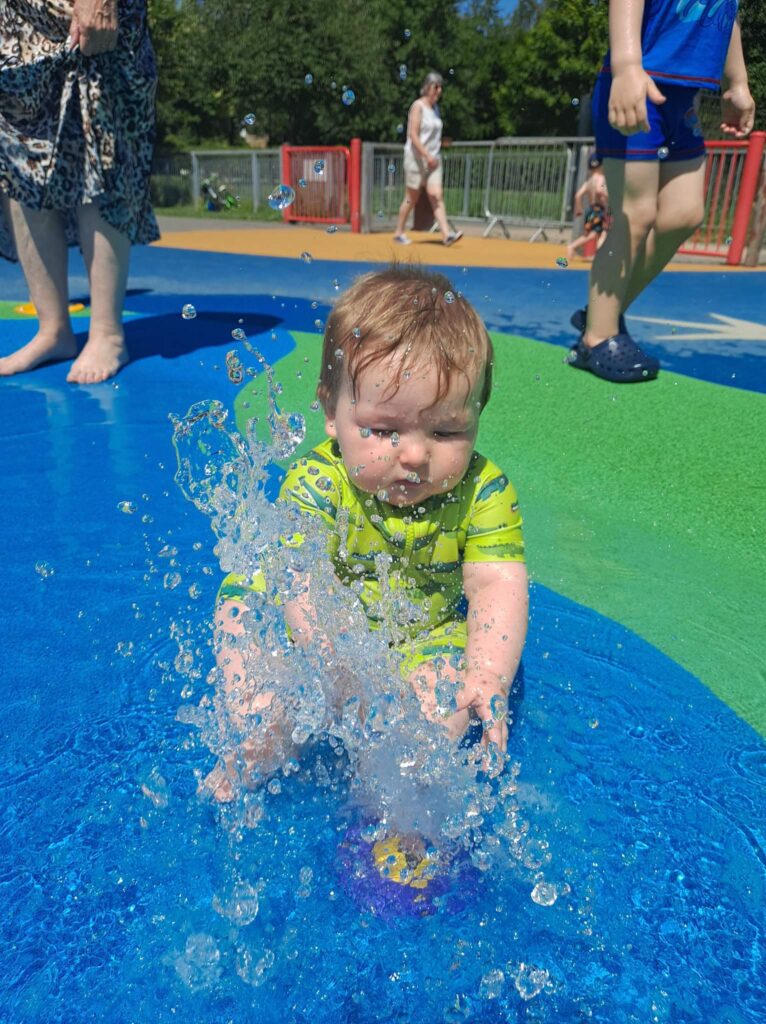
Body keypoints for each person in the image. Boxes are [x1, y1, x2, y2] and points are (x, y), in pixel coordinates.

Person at [207, 266, 528, 802]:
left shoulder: (483, 492)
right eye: (383, 430)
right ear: (332, 412)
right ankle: (257, 732)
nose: (415, 454)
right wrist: (333, 668)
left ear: (477, 416)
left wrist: (489, 673)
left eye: (447, 431)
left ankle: (395, 800)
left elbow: (497, 585)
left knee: (436, 718)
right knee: (242, 601)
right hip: (313, 630)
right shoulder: (317, 481)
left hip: (427, 635)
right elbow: (297, 580)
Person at [570, 0, 755, 383]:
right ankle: (597, 336)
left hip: (683, 94)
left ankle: (601, 309)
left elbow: (727, 14)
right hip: (639, 83)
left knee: (684, 213)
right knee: (635, 214)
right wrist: (626, 67)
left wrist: (737, 82)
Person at [0, 0, 159, 384]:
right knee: (19, 152)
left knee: (100, 138)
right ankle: (52, 329)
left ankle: (107, 332)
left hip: (81, 11)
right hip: (19, 17)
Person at [393, 72, 463, 247]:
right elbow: (413, 136)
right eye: (435, 87)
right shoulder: (418, 106)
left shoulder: (436, 109)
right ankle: (399, 231)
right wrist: (426, 155)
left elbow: (432, 135)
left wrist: (438, 147)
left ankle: (446, 235)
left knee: (436, 195)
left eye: (440, 87)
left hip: (433, 159)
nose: (439, 91)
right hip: (417, 158)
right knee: (411, 197)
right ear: (427, 87)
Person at [567, 156, 610, 261]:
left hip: (591, 210)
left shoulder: (589, 181)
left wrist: (579, 208)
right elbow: (600, 190)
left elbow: (578, 195)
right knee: (596, 233)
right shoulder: (601, 178)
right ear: (602, 166)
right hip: (599, 210)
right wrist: (608, 196)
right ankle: (573, 247)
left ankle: (596, 255)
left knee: (597, 233)